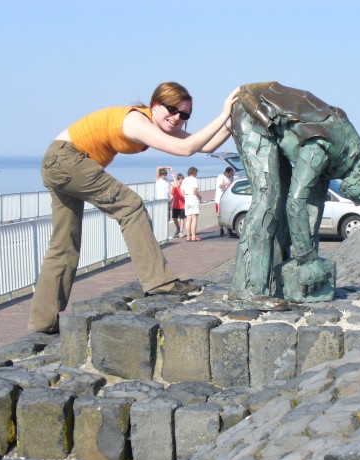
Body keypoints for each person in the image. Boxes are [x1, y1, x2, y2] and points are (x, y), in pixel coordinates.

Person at [28, 81, 239, 333]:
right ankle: (159, 281)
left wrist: (231, 122)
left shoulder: (154, 124)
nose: (176, 118)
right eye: (172, 110)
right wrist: (224, 113)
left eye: (184, 115)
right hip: (67, 159)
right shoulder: (136, 122)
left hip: (59, 162)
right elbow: (185, 149)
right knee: (130, 206)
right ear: (155, 105)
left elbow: (203, 144)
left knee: (64, 244)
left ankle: (42, 322)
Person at [229, 82, 360, 301]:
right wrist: (307, 260)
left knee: (279, 205)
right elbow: (296, 203)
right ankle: (247, 290)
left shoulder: (341, 158)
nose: (356, 203)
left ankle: (279, 284)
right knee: (268, 199)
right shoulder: (324, 146)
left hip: (273, 123)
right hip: (253, 112)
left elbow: (312, 208)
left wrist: (309, 260)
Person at [181, 166, 202, 241]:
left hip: (187, 198)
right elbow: (195, 189)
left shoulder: (184, 180)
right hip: (193, 198)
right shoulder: (194, 180)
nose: (197, 174)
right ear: (194, 172)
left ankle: (188, 236)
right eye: (196, 173)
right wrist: (199, 196)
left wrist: (185, 197)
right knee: (194, 218)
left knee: (188, 219)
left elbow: (182, 190)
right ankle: (193, 236)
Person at [215, 166, 234, 236]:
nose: (232, 175)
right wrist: (228, 183)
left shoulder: (231, 178)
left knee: (228, 214)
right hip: (219, 200)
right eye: (231, 173)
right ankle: (221, 230)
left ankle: (229, 230)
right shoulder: (221, 176)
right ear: (227, 172)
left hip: (227, 199)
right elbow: (220, 185)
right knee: (219, 215)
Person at [170, 173, 186, 237]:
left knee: (182, 218)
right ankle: (178, 228)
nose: (181, 181)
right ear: (178, 179)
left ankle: (181, 231)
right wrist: (170, 203)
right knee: (174, 218)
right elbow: (172, 195)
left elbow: (185, 195)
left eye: (182, 179)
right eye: (180, 179)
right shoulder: (175, 187)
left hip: (182, 205)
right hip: (175, 205)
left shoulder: (183, 187)